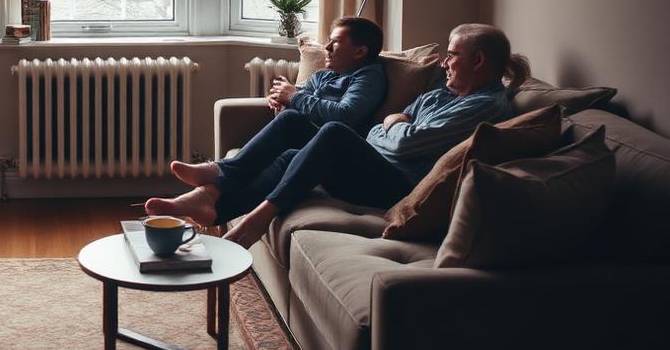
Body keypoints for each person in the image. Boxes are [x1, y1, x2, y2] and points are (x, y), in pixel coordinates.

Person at [145, 23, 530, 249]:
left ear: (478, 61)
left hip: (398, 186)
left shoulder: (484, 107)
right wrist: (393, 126)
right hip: (380, 166)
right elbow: (391, 130)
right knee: (295, 138)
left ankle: (256, 215)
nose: (445, 62)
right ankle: (215, 198)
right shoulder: (442, 93)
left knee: (333, 134)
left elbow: (403, 140)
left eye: (452, 54)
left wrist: (393, 126)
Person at [146, 15, 388, 226]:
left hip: (339, 157)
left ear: (360, 51)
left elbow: (344, 115)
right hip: (311, 151)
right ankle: (212, 205)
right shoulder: (324, 77)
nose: (327, 47)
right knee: (288, 155)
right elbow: (300, 99)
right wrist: (282, 101)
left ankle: (219, 171)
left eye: (336, 42)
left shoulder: (368, 76)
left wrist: (293, 97)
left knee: (292, 121)